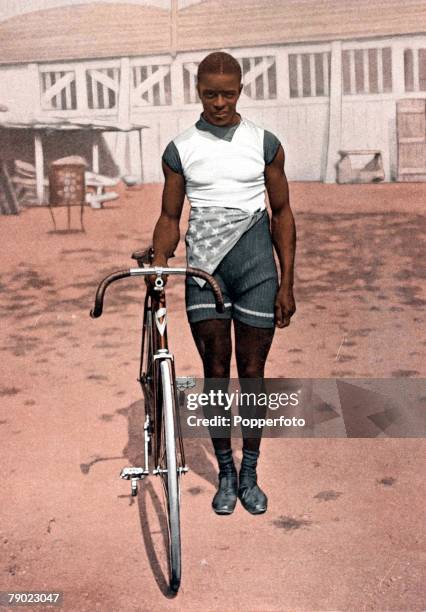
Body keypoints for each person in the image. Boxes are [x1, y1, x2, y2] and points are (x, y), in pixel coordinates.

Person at [150, 51, 296, 515]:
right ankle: (226, 474)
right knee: (215, 373)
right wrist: (158, 262)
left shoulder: (264, 143)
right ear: (198, 91)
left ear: (240, 89)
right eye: (209, 93)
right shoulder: (180, 149)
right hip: (204, 273)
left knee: (251, 375)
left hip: (257, 270)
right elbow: (170, 217)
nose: (218, 102)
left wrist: (287, 281)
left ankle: (250, 471)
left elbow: (283, 213)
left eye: (227, 93)